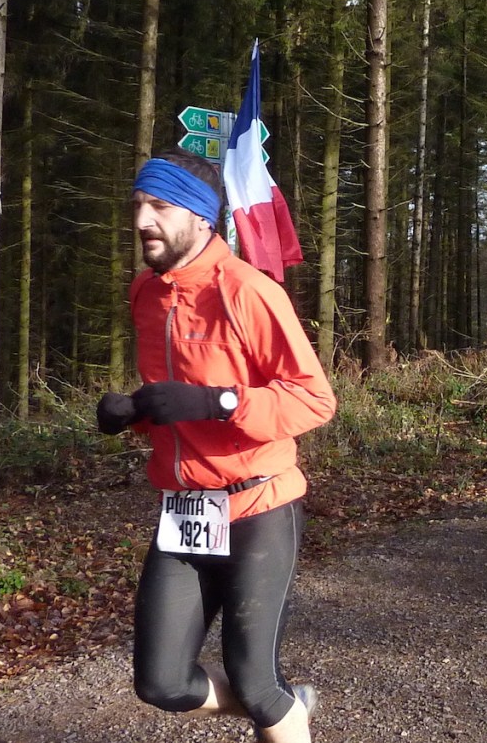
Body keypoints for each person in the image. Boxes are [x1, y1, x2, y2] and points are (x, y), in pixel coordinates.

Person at [95, 150, 336, 743]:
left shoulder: (249, 292)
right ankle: (290, 709)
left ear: (201, 216)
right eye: (137, 206)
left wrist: (220, 402)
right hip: (185, 511)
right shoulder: (146, 293)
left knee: (255, 683)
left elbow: (314, 400)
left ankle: (277, 708)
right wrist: (135, 413)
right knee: (161, 683)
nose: (142, 221)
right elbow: (171, 401)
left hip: (258, 504)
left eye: (159, 206)